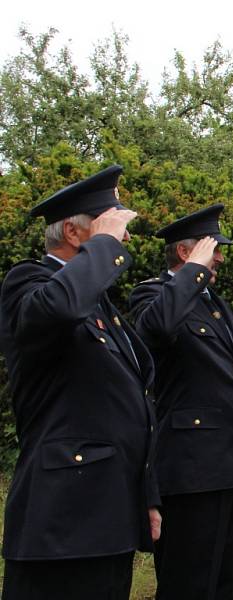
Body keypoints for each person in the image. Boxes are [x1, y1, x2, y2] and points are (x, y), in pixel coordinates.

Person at [0, 165, 161, 600]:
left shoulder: (97, 303)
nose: (124, 240)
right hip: (63, 519)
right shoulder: (29, 283)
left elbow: (131, 404)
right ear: (73, 233)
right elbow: (59, 308)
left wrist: (145, 494)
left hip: (109, 510)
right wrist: (104, 247)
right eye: (113, 227)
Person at [129, 204, 233, 599]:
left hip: (231, 462)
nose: (222, 258)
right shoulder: (152, 294)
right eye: (215, 249)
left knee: (227, 574)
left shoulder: (215, 303)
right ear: (184, 253)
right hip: (190, 467)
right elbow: (156, 327)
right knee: (188, 579)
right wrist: (193, 271)